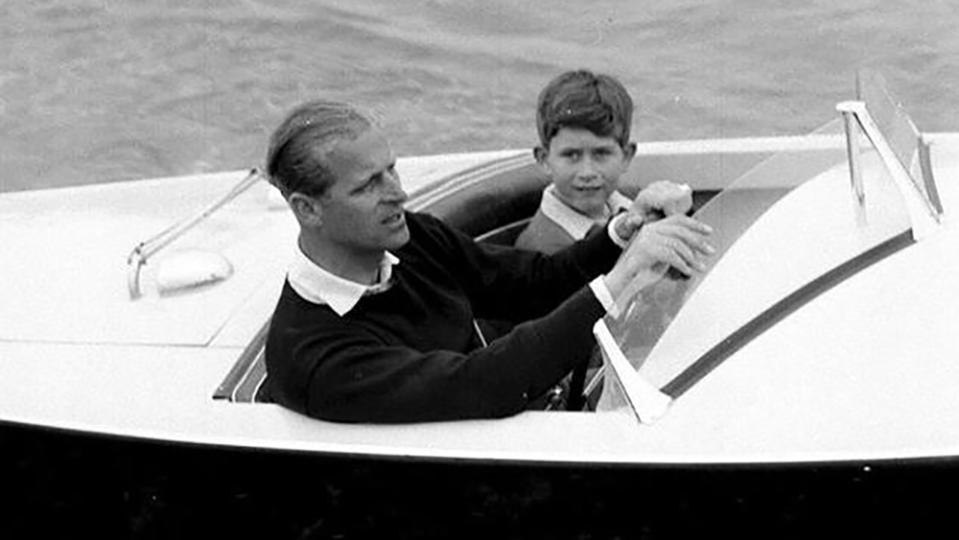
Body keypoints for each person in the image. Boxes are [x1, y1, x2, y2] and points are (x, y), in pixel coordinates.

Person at [263, 99, 713, 423]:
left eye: (392, 171)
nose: (398, 193)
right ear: (307, 209)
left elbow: (530, 284)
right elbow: (485, 383)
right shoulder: (316, 359)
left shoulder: (409, 237)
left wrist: (623, 230)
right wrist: (624, 278)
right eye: (368, 186)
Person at [516, 69, 692, 254]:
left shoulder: (633, 200)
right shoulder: (539, 251)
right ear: (544, 159)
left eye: (601, 154)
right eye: (571, 155)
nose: (587, 173)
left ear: (626, 156)